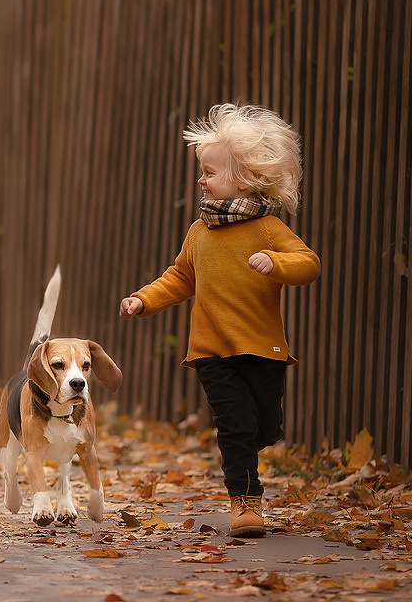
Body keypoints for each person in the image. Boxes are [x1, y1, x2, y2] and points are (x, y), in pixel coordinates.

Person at [118, 103, 320, 538]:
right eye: (202, 172)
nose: (201, 180)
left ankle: (247, 446)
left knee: (265, 426)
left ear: (243, 178)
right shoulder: (199, 231)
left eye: (209, 172)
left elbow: (308, 263)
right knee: (235, 426)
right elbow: (180, 278)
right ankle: (246, 502)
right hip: (212, 351)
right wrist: (142, 299)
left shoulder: (267, 228)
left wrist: (276, 263)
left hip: (261, 347)